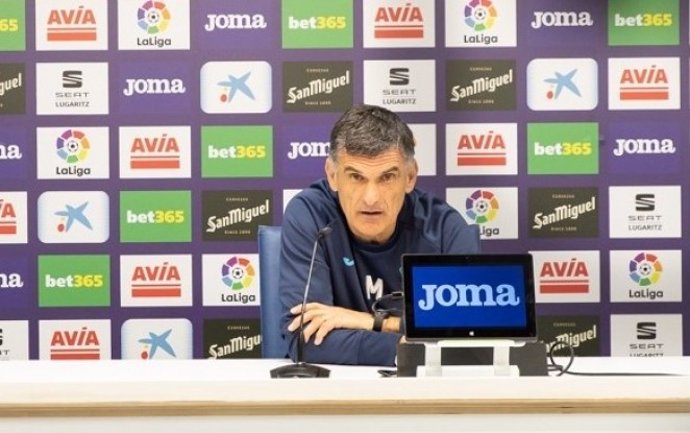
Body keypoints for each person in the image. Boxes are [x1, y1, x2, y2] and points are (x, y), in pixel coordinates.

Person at [279, 104, 480, 366]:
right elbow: (305, 340)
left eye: (386, 177)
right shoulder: (310, 214)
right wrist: (411, 342)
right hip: (332, 393)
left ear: (410, 177)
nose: (371, 198)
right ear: (332, 175)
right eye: (356, 177)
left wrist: (368, 321)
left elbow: (467, 340)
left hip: (422, 393)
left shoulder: (444, 229)